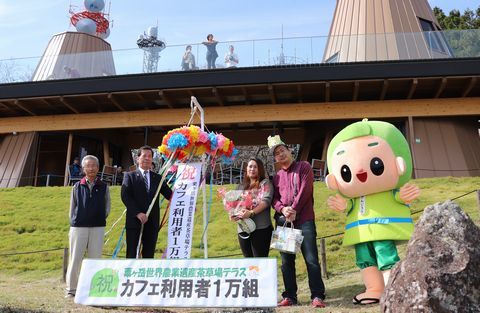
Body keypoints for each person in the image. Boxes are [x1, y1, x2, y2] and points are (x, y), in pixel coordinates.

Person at [325, 119, 420, 305]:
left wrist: (403, 196)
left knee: (385, 254)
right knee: (364, 258)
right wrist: (344, 205)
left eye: (376, 163)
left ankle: (394, 289)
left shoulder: (387, 190)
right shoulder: (353, 196)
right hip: (360, 232)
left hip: (382, 227)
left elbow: (397, 197)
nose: (360, 172)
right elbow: (350, 206)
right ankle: (374, 289)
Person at [267, 135, 327, 308]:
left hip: (305, 219)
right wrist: (282, 209)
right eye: (277, 153)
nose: (280, 155)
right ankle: (290, 296)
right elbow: (274, 199)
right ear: (275, 158)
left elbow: (305, 190)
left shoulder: (304, 167)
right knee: (286, 262)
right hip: (284, 222)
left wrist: (293, 208)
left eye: (282, 150)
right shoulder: (276, 176)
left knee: (311, 259)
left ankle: (317, 295)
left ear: (289, 151)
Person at [65, 155, 110, 298]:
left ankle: (93, 288)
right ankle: (72, 289)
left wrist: (100, 218)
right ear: (83, 169)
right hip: (78, 227)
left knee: (95, 258)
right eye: (88, 166)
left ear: (98, 168)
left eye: (93, 166)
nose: (91, 168)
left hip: (97, 227)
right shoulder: (77, 186)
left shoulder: (104, 186)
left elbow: (107, 207)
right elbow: (72, 208)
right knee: (75, 258)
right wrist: (75, 221)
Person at [121, 146, 173, 258]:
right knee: (131, 253)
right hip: (134, 221)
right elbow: (125, 196)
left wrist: (186, 203)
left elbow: (170, 194)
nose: (147, 158)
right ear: (137, 158)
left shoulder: (158, 178)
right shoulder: (129, 176)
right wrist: (138, 213)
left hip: (152, 222)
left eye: (150, 156)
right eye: (144, 156)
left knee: (149, 255)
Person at [231, 158, 273, 257]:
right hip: (243, 228)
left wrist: (251, 212)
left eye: (255, 167)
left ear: (260, 169)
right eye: (250, 166)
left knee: (260, 263)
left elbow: (266, 201)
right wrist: (233, 214)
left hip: (261, 229)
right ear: (247, 168)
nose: (252, 169)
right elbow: (234, 205)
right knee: (248, 262)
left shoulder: (265, 183)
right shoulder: (241, 186)